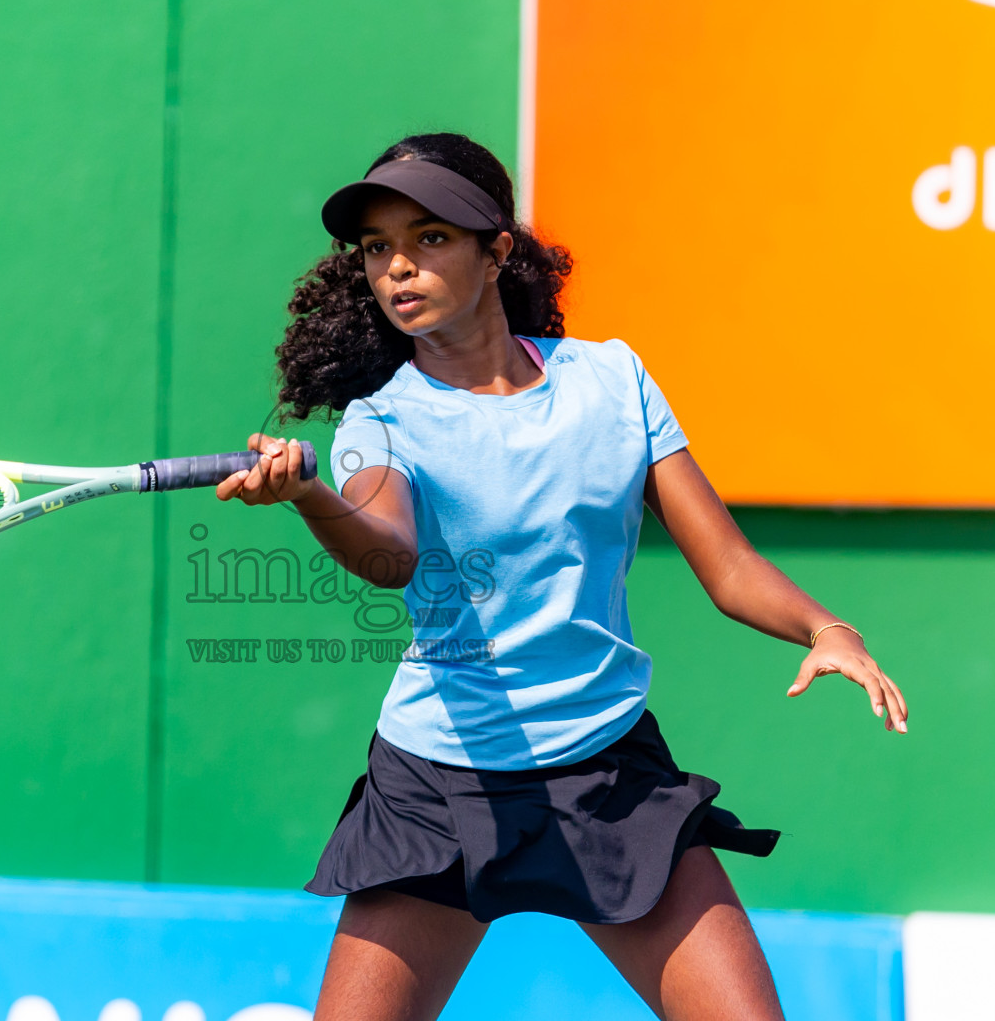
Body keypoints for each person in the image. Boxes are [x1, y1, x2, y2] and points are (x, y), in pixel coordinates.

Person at [215, 132, 908, 1021]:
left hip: (607, 770)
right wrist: (311, 494)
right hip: (438, 786)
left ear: (497, 251)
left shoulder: (612, 381)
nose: (398, 266)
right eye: (378, 247)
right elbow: (388, 555)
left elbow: (728, 566)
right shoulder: (379, 421)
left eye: (429, 238)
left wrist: (827, 629)